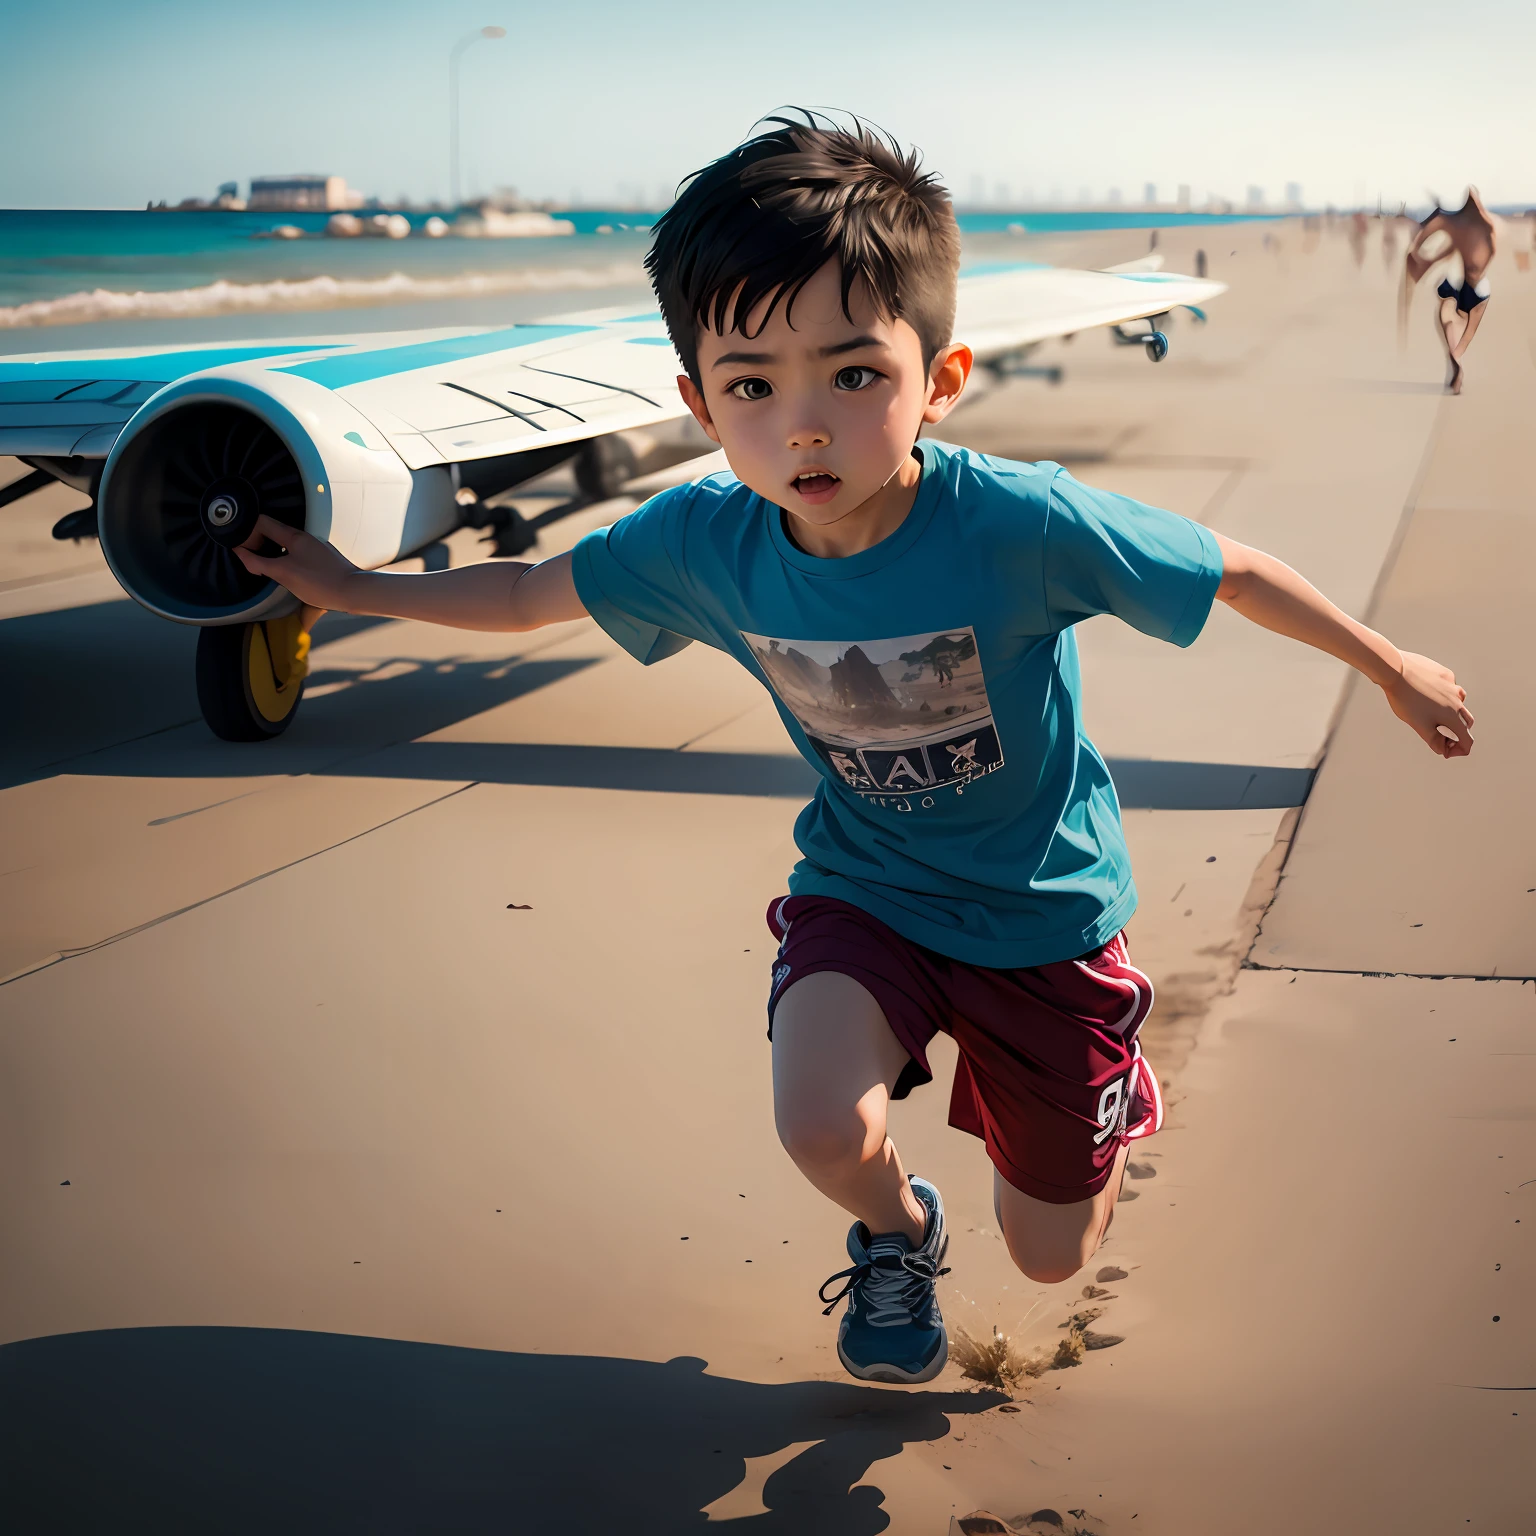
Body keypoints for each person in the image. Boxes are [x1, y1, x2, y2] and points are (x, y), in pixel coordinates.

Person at [236, 115, 1476, 1388]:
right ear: (698, 402)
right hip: (866, 888)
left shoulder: (1015, 526)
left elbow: (1236, 574)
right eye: (754, 386)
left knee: (1053, 1253)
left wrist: (1395, 670)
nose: (804, 427)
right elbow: (528, 594)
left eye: (854, 375)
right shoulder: (705, 545)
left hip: (1044, 917)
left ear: (940, 379)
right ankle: (899, 1232)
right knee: (819, 1118)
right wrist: (348, 584)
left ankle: (1096, 1117)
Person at [1402, 188, 1499, 393]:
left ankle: (1455, 359)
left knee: (1448, 316)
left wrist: (1418, 257)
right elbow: (1489, 253)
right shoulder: (1486, 225)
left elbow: (1434, 236)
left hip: (1462, 284)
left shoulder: (1458, 226)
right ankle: (1457, 357)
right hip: (1478, 286)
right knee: (1463, 324)